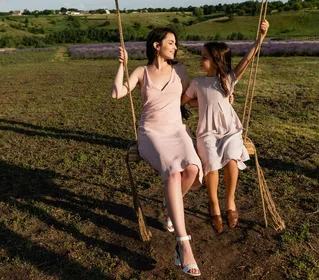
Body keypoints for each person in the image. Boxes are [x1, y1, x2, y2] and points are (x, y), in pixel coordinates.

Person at [111, 27, 202, 277]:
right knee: (173, 174)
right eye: (171, 43)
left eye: (176, 43)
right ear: (156, 45)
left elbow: (187, 98)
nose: (175, 47)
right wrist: (122, 65)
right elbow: (117, 93)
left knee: (192, 169)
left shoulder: (179, 70)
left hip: (176, 130)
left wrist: (215, 98)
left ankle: (170, 206)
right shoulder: (141, 71)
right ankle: (184, 245)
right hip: (151, 132)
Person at [181, 19, 269, 233]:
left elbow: (247, 61)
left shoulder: (227, 79)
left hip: (229, 130)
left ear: (217, 60)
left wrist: (261, 38)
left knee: (231, 158)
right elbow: (183, 101)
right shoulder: (198, 83)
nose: (200, 61)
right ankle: (214, 204)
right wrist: (196, 103)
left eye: (204, 58)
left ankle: (230, 202)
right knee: (210, 163)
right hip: (207, 132)